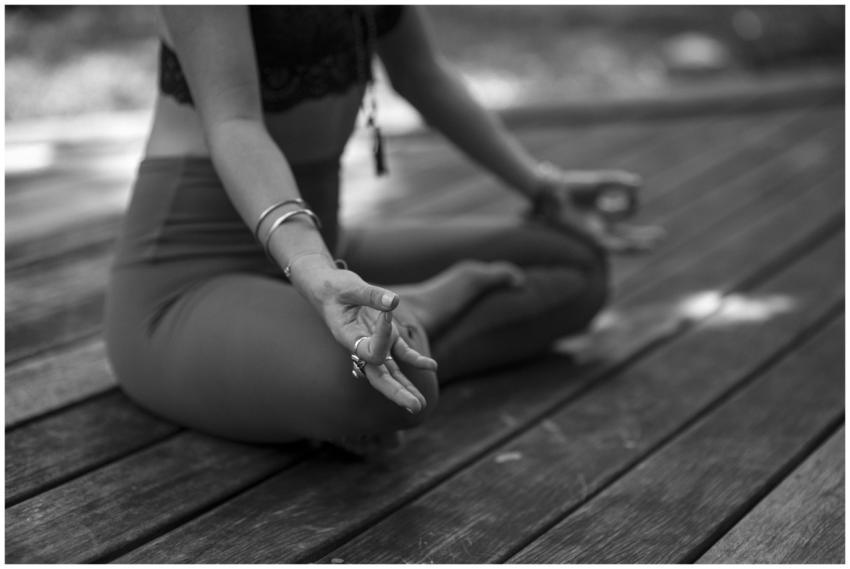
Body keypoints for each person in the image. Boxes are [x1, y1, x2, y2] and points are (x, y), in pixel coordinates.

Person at [104, 6, 657, 452]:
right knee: (389, 394)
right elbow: (234, 123)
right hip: (190, 281)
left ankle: (397, 328)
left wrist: (542, 188)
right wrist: (316, 271)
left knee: (574, 263)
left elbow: (423, 75)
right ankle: (413, 319)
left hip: (329, 247)